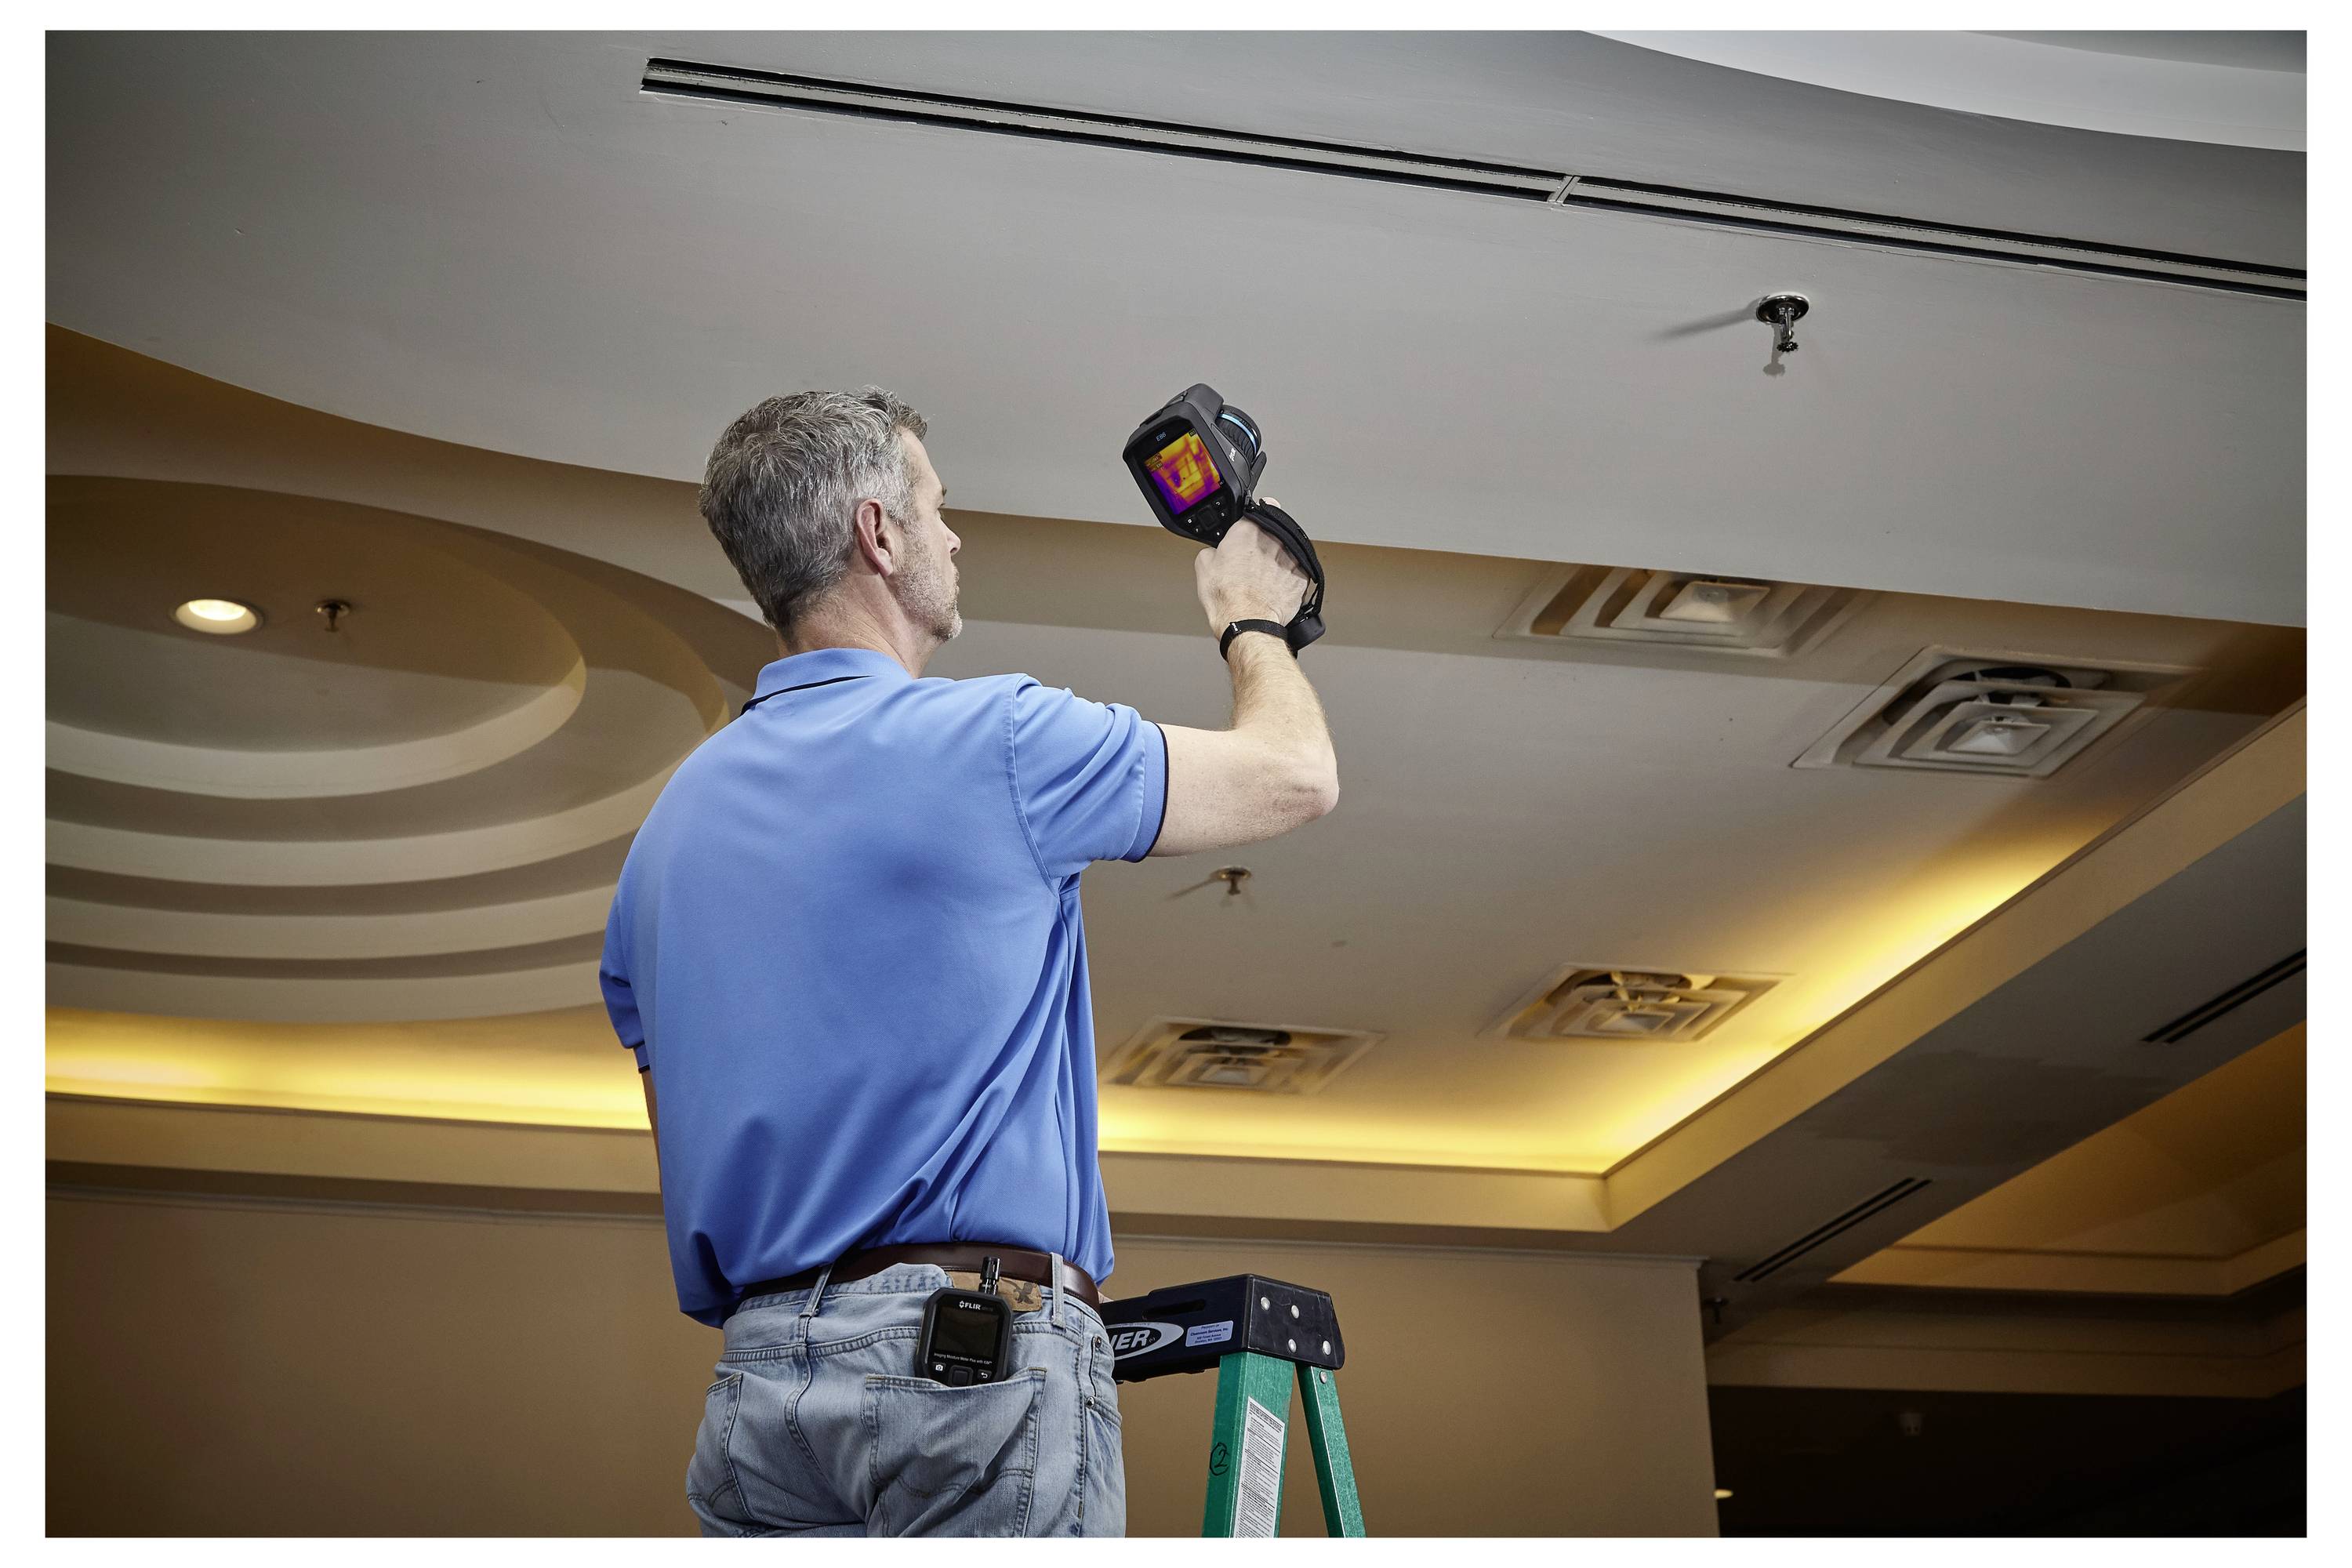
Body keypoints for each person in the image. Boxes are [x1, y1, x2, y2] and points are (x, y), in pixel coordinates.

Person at [600, 388, 1339, 1537]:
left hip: (760, 1392)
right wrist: (1253, 619)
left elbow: (677, 1126)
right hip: (967, 1364)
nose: (953, 536)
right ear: (877, 535)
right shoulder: (992, 740)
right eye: (936, 509)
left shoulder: (666, 836)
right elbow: (1295, 774)